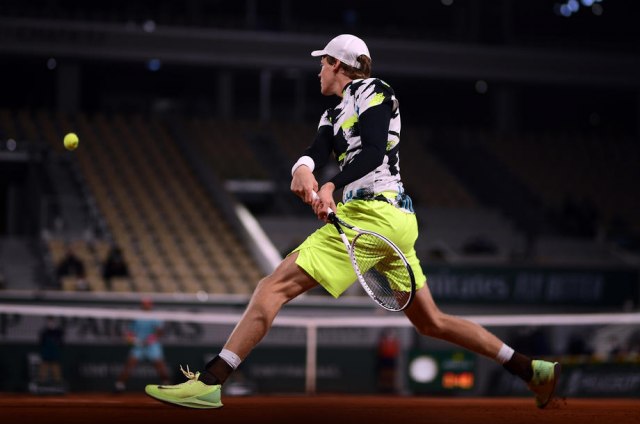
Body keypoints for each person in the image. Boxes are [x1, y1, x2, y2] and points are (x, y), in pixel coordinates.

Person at [144, 34, 560, 409]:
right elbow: (315, 150)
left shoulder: (374, 90)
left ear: (338, 65)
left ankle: (211, 382)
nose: (318, 71)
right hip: (392, 220)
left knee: (272, 287)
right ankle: (530, 369)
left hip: (373, 214)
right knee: (431, 322)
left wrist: (330, 185)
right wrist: (303, 169)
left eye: (322, 63)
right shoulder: (333, 113)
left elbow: (375, 151)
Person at [115, 298, 171, 392]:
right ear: (141, 305)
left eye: (148, 304)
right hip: (138, 345)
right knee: (129, 365)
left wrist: (150, 339)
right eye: (144, 304)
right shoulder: (136, 317)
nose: (146, 305)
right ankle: (119, 386)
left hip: (152, 345)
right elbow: (130, 332)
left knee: (160, 366)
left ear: (151, 305)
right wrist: (132, 339)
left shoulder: (155, 317)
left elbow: (159, 332)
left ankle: (167, 385)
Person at [37, 316, 65, 390]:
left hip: (54, 353)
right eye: (49, 321)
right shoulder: (44, 332)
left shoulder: (58, 332)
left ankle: (58, 385)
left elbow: (61, 343)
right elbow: (41, 343)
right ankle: (41, 385)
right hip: (46, 353)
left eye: (52, 321)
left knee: (56, 369)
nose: (50, 323)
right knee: (44, 368)